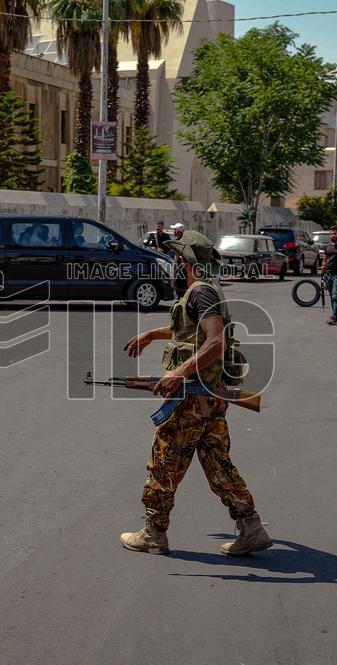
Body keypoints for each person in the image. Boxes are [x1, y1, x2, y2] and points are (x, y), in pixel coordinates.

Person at [119, 230, 271, 557]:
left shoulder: (201, 292)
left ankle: (153, 533)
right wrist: (151, 334)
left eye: (177, 258)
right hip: (209, 399)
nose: (174, 263)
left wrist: (178, 372)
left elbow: (216, 342)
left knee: (163, 463)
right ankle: (251, 527)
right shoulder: (203, 291)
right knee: (218, 464)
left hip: (191, 399)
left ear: (185, 261)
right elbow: (188, 331)